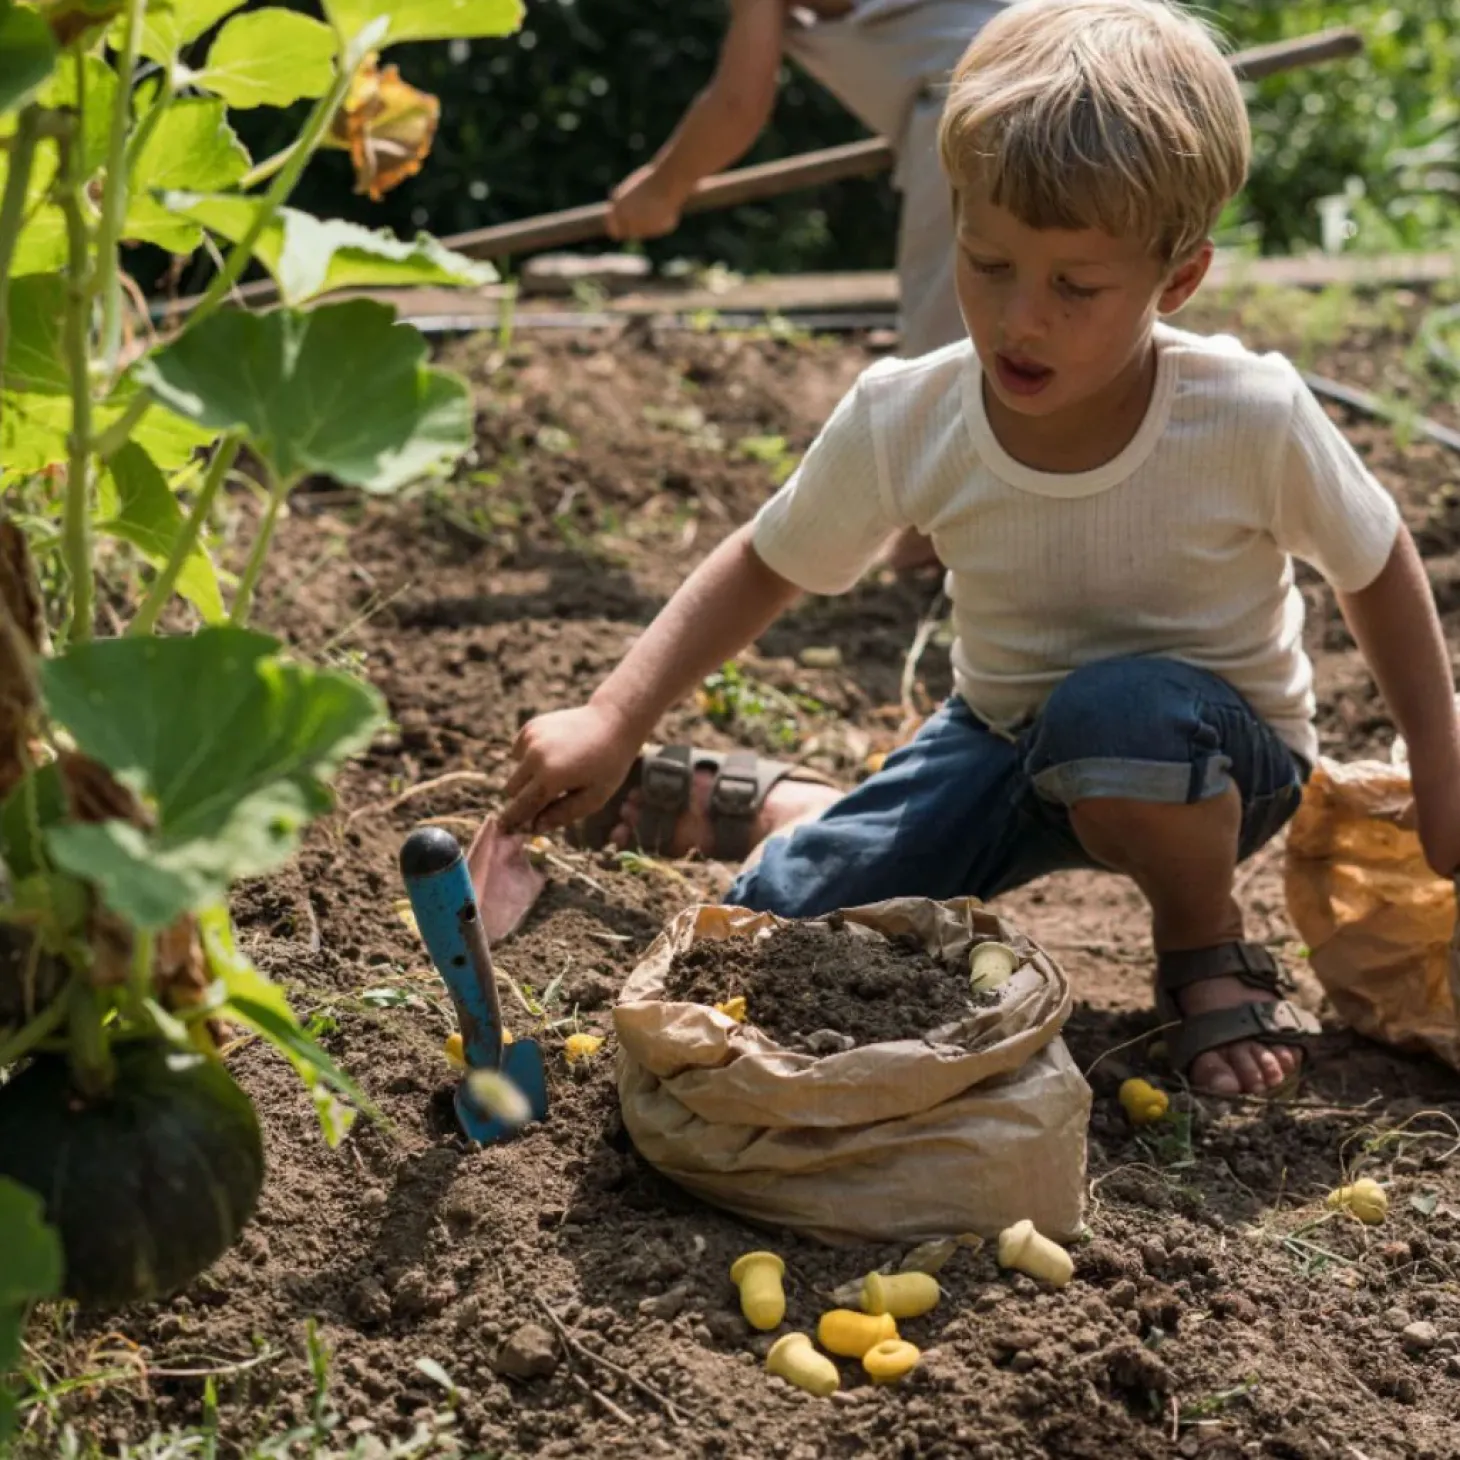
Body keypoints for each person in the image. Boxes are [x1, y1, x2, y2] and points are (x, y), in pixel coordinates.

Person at [503, 0, 1460, 1100]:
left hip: (1207, 760)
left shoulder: (1243, 413)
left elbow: (1374, 557)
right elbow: (768, 558)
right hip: (1000, 737)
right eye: (987, 261)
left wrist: (1436, 764)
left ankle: (1202, 942)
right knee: (777, 928)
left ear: (1176, 280)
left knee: (1115, 714)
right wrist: (615, 715)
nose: (1018, 317)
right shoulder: (907, 414)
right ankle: (796, 809)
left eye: (1073, 286)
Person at [606, 0, 1009, 570]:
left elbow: (737, 104)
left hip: (983, 103)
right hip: (1081, 62)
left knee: (949, 345)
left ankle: (939, 531)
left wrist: (662, 189)